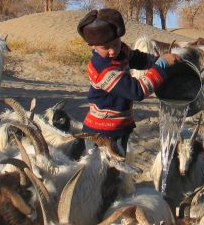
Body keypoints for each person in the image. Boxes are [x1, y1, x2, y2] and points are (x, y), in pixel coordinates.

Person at [76, 8, 179, 156]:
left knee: (117, 166)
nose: (113, 51)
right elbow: (137, 91)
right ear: (92, 46)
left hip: (119, 124)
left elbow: (137, 58)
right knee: (107, 168)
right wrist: (161, 66)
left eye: (116, 44)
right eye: (105, 47)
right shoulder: (102, 69)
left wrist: (157, 60)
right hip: (103, 131)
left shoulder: (120, 52)